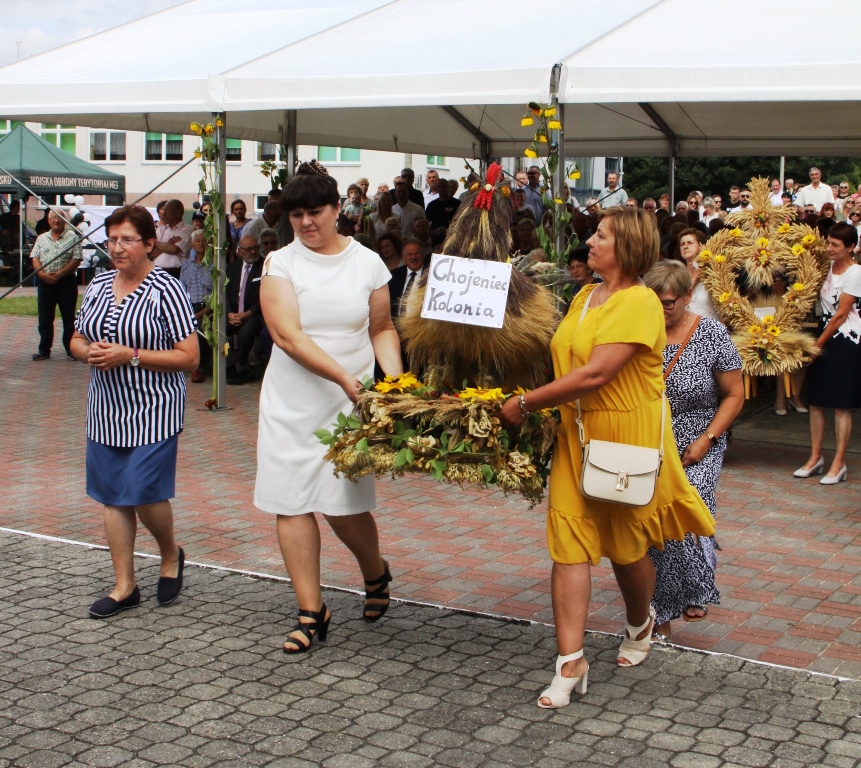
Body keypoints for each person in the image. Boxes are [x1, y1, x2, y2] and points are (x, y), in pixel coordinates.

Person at [499, 206, 715, 708]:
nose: (589, 243)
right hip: (575, 433)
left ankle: (640, 621)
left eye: (600, 236)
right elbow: (564, 357)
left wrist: (527, 403)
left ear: (628, 247)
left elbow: (597, 374)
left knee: (626, 546)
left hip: (623, 437)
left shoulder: (639, 302)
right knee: (568, 543)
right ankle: (569, 663)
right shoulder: (584, 294)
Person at [255, 163, 403, 654]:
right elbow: (286, 335)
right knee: (291, 500)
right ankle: (310, 610)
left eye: (314, 212)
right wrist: (343, 377)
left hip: (350, 403)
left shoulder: (367, 263)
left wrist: (398, 384)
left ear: (338, 209)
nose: (304, 223)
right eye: (295, 214)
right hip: (293, 400)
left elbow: (381, 328)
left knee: (344, 507)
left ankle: (375, 572)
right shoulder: (280, 263)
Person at [69, 205, 198, 618]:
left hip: (153, 409)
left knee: (143, 493)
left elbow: (190, 357)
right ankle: (125, 586)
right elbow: (75, 338)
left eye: (127, 240)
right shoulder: (99, 285)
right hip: (104, 410)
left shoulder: (166, 289)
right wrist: (87, 351)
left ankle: (170, 553)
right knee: (113, 498)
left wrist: (132, 355)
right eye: (111, 240)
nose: (117, 248)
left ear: (148, 244)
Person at [643, 261, 743, 638]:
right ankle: (663, 609)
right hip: (651, 442)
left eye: (669, 301)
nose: (662, 308)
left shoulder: (712, 334)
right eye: (655, 300)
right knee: (657, 525)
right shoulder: (639, 334)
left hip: (701, 436)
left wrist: (707, 439)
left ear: (687, 297)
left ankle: (696, 587)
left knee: (691, 508)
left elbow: (735, 395)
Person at [794, 222, 861, 485]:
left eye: (835, 244)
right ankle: (815, 457)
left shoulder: (855, 273)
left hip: (847, 339)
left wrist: (816, 346)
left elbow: (842, 314)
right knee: (817, 401)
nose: (829, 248)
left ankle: (839, 462)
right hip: (826, 333)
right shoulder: (827, 267)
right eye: (828, 242)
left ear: (851, 247)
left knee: (841, 405)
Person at [31, 210, 82, 361]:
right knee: (45, 317)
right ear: (48, 221)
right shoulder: (42, 238)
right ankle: (44, 350)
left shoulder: (73, 237)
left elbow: (76, 259)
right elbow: (34, 257)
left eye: (59, 218)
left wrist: (59, 274)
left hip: (66, 282)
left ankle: (71, 349)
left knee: (68, 317)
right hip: (45, 282)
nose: (56, 221)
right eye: (53, 218)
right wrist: (42, 274)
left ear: (64, 221)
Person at [225, 235, 265, 385]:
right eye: (248, 249)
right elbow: (225, 294)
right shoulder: (232, 268)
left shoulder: (265, 266)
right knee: (217, 329)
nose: (253, 252)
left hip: (254, 313)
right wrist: (229, 313)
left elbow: (265, 296)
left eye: (255, 248)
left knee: (246, 332)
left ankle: (239, 366)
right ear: (240, 251)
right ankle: (236, 365)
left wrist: (247, 314)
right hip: (234, 312)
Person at [179, 230, 213, 383]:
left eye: (204, 241)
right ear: (192, 244)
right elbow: (182, 288)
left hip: (209, 307)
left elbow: (214, 288)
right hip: (190, 307)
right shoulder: (186, 265)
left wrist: (204, 263)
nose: (201, 244)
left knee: (200, 328)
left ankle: (197, 369)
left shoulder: (214, 263)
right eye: (197, 241)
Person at [151, 199, 192, 278]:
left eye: (167, 211)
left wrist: (155, 243)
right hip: (156, 271)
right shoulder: (161, 230)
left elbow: (174, 249)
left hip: (175, 272)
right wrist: (168, 244)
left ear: (177, 213)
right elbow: (151, 254)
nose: (164, 214)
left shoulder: (187, 230)